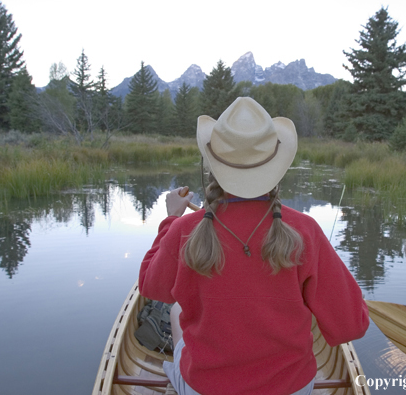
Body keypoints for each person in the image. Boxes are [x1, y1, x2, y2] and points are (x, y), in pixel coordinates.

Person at [139, 97, 369, 395]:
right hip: (291, 389)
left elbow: (150, 287)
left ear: (212, 164)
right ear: (276, 165)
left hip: (206, 388)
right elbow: (350, 328)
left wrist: (171, 219)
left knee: (176, 309)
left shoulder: (186, 230)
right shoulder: (304, 231)